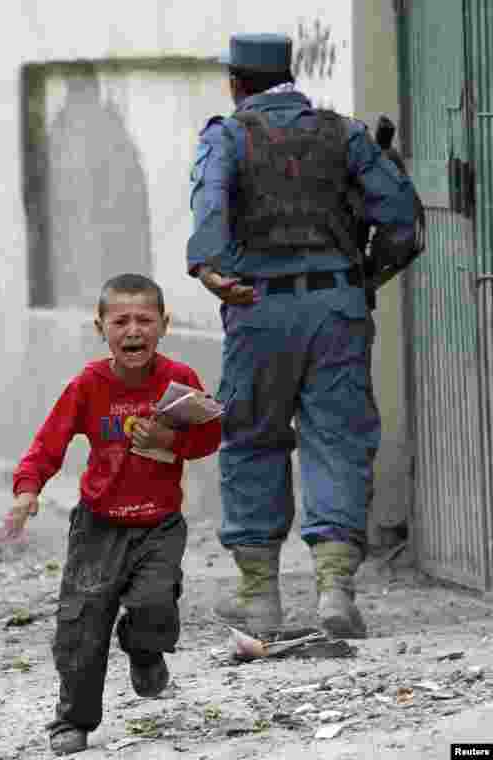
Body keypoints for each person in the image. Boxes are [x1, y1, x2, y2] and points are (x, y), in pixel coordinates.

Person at [187, 34, 423, 639]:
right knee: (338, 440)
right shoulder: (345, 134)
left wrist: (210, 271)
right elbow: (403, 221)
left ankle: (260, 600)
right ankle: (335, 592)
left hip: (257, 306)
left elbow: (209, 205)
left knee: (252, 440)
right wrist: (361, 279)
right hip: (337, 308)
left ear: (236, 84)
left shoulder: (227, 136)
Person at [5, 274, 222, 756]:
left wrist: (170, 440)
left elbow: (209, 437)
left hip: (159, 524)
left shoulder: (180, 379)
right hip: (98, 527)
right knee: (81, 627)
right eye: (120, 321)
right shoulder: (88, 384)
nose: (133, 330)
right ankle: (73, 720)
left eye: (144, 320)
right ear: (100, 327)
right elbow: (48, 443)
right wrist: (27, 491)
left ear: (164, 325)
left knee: (154, 605)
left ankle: (144, 652)